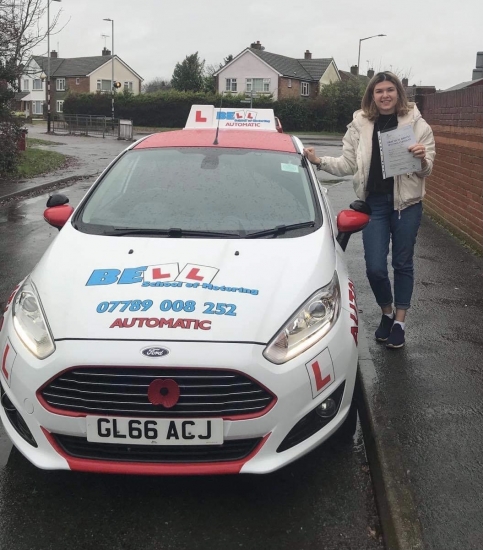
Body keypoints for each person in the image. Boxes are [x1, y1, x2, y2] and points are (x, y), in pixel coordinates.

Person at [304, 71, 436, 349]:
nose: (385, 95)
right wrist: (318, 161)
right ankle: (386, 312)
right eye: (379, 91)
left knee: (402, 263)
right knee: (375, 267)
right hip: (374, 204)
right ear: (372, 96)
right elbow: (347, 164)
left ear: (398, 93)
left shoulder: (417, 123)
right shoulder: (360, 124)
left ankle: (399, 321)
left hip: (407, 205)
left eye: (390, 90)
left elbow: (428, 168)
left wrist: (423, 158)